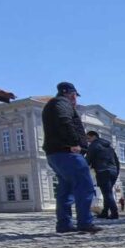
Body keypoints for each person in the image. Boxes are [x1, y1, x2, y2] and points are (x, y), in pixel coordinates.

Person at [41, 82, 100, 233]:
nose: (76, 100)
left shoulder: (51, 105)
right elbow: (65, 121)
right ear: (72, 95)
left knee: (65, 190)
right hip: (67, 152)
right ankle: (85, 222)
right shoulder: (62, 104)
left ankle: (64, 224)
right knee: (84, 187)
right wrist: (75, 143)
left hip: (55, 153)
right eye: (75, 97)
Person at [85, 130, 120, 219]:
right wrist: (116, 172)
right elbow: (116, 161)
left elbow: (87, 160)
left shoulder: (94, 145)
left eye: (88, 138)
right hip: (113, 171)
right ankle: (105, 212)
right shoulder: (110, 147)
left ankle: (114, 213)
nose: (88, 141)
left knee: (107, 193)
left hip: (102, 171)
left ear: (94, 137)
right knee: (107, 192)